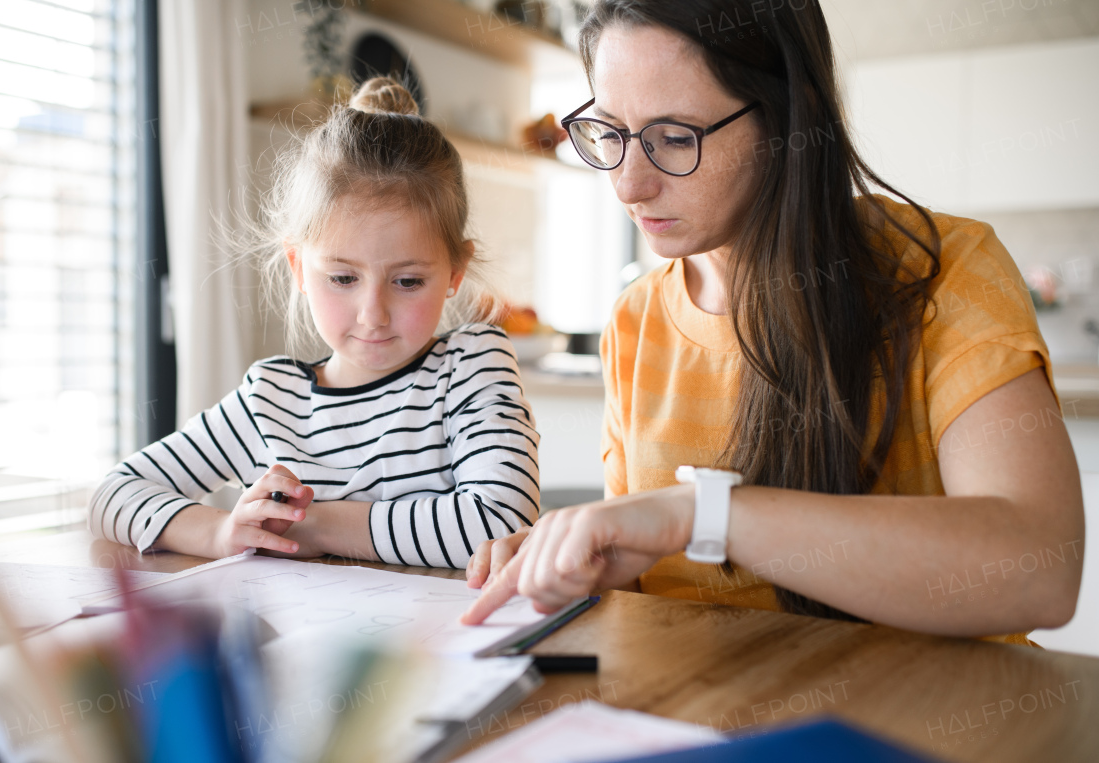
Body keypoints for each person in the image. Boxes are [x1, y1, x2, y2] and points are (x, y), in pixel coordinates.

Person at [461, 0, 1084, 644]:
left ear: (794, 116)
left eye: (675, 137)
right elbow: (647, 588)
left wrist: (709, 513)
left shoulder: (942, 269)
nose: (629, 185)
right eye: (611, 133)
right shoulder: (638, 316)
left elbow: (1039, 570)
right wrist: (569, 563)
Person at [88, 78, 540, 568]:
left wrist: (317, 524)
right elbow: (112, 496)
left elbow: (503, 522)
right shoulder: (270, 400)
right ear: (299, 268)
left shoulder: (472, 366)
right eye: (343, 278)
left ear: (455, 272)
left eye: (408, 281)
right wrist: (222, 532)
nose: (373, 313)